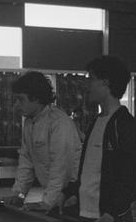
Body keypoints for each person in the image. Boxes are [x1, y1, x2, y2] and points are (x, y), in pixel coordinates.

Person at [61, 56, 136, 222]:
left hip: (109, 220)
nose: (87, 85)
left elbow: (130, 176)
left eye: (91, 78)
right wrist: (71, 193)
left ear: (105, 83)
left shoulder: (125, 124)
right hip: (86, 215)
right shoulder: (96, 121)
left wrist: (112, 212)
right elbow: (89, 169)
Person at [7, 71, 82, 212]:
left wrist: (47, 203)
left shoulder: (59, 123)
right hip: (54, 193)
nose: (16, 105)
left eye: (20, 99)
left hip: (72, 196)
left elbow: (60, 168)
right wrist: (19, 195)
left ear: (36, 99)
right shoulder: (29, 123)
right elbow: (26, 162)